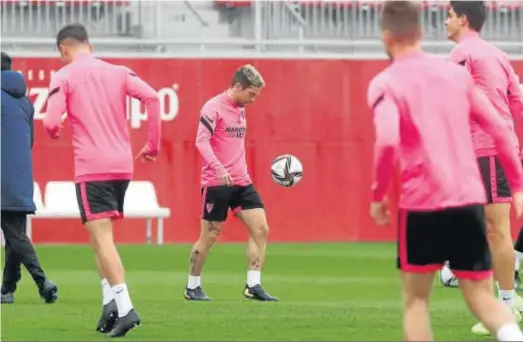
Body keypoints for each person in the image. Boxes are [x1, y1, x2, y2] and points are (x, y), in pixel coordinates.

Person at [369, 1, 523, 340]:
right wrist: (517, 182)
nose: (445, 22)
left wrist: (378, 194)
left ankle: (510, 297)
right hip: (467, 191)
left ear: (386, 36)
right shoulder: (465, 70)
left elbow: (388, 141)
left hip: (422, 198)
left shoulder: (387, 82)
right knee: (482, 296)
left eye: (449, 16)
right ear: (420, 33)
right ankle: (511, 322)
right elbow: (504, 121)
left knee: (416, 303)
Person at [43, 24, 161, 337]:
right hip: (122, 167)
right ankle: (109, 303)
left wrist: (55, 128)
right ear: (89, 45)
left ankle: (126, 308)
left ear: (63, 50)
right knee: (102, 237)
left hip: (91, 167)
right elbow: (152, 99)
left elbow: (51, 122)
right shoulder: (119, 72)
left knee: (102, 238)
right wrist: (153, 144)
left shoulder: (64, 75)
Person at [445, 1, 523, 335]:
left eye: (448, 15)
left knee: (497, 228)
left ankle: (507, 304)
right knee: (484, 225)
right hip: (494, 147)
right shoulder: (499, 55)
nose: (445, 21)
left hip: (486, 148)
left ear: (463, 19)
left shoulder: (462, 54)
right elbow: (517, 102)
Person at [184, 64, 277, 302]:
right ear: (237, 87)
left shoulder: (241, 108)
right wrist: (220, 168)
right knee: (210, 235)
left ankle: (253, 285)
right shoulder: (213, 107)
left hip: (241, 180)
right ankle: (192, 286)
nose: (253, 100)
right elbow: (201, 142)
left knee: (261, 229)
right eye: (251, 94)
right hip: (216, 181)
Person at [0, 52, 58, 305]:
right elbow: (30, 140)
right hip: (21, 177)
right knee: (15, 235)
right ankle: (7, 290)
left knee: (15, 235)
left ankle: (42, 280)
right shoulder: (25, 101)